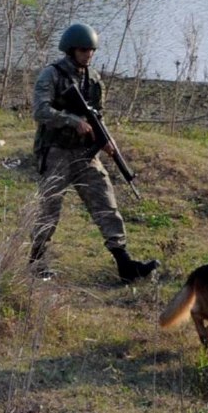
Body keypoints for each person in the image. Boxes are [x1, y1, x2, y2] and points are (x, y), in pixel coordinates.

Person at [30, 23, 159, 282]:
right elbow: (40, 111)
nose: (88, 54)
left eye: (91, 50)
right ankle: (36, 261)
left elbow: (97, 116)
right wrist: (71, 120)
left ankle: (124, 263)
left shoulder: (94, 79)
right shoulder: (51, 75)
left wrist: (105, 140)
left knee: (106, 203)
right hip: (56, 151)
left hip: (85, 154)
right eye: (83, 50)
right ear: (71, 50)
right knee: (49, 209)